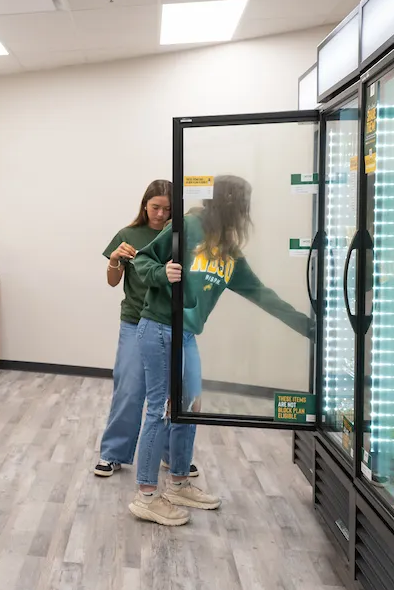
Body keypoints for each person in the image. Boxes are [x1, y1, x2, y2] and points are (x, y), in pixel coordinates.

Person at [127, 175, 312, 526]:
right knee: (159, 409)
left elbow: (262, 294)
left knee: (190, 407)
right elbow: (142, 262)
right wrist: (163, 272)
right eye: (242, 205)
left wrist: (310, 328)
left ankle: (179, 482)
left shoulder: (227, 249)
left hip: (186, 335)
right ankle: (146, 495)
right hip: (159, 327)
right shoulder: (187, 226)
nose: (244, 213)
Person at [93, 181, 199, 480]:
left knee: (176, 394)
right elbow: (113, 282)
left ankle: (173, 457)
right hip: (134, 321)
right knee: (129, 388)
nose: (161, 214)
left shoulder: (180, 235)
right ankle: (113, 454)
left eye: (167, 209)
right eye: (155, 207)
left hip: (171, 323)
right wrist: (115, 259)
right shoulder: (128, 235)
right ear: (144, 206)